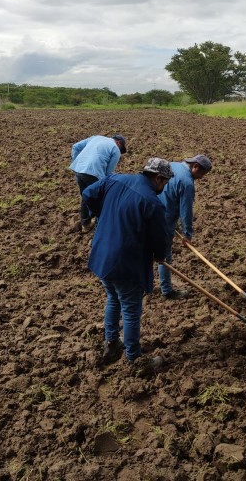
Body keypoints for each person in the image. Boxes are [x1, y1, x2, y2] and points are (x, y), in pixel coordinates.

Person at [82, 157, 174, 370]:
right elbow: (160, 240)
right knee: (131, 310)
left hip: (102, 257)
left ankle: (111, 343)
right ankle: (134, 359)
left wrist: (103, 213)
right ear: (159, 178)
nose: (164, 187)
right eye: (165, 182)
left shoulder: (114, 179)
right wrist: (160, 255)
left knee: (113, 298)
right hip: (125, 264)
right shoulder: (152, 202)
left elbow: (88, 194)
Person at [157, 154, 213, 299]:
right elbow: (186, 211)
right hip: (166, 218)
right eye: (202, 174)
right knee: (164, 256)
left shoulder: (171, 164)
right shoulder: (187, 182)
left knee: (143, 250)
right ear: (195, 167)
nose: (201, 177)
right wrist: (187, 234)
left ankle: (140, 284)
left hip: (151, 210)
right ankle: (167, 291)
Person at [69, 134, 127, 231]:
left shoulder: (96, 137)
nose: (120, 152)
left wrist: (76, 161)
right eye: (121, 149)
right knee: (101, 199)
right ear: (119, 143)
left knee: (86, 196)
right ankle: (100, 226)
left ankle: (86, 224)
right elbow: (108, 173)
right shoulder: (115, 149)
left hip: (78, 169)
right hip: (93, 173)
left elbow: (75, 147)